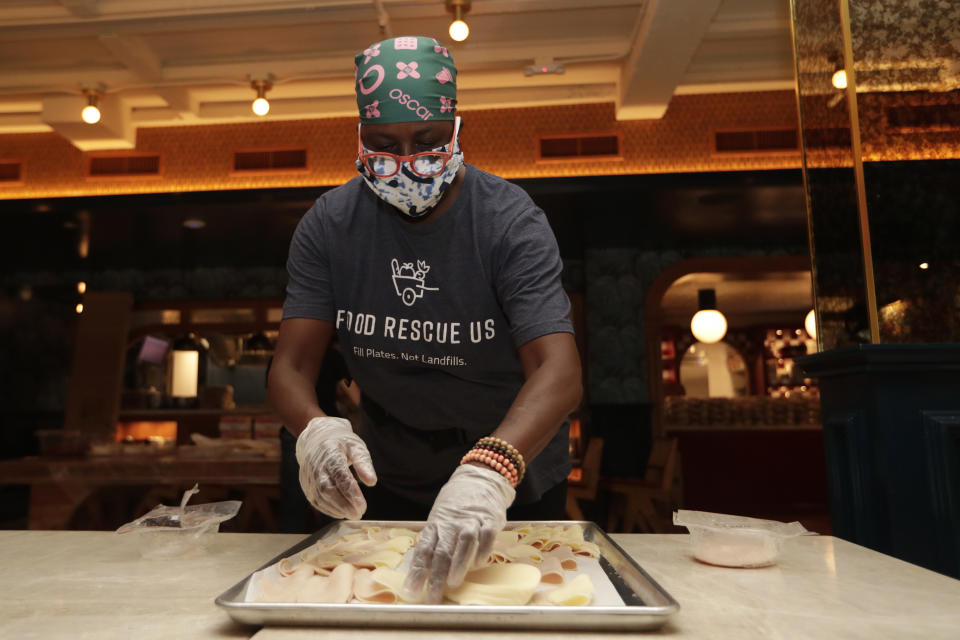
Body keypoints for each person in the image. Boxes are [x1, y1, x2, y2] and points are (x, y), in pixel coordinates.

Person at [267, 35, 582, 604]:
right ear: (359, 136)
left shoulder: (509, 222)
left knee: (514, 608)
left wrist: (491, 468)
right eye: (384, 145)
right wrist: (315, 430)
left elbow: (558, 371)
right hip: (386, 471)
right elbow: (289, 365)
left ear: (457, 129)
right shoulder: (329, 226)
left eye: (428, 143)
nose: (406, 163)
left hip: (509, 472)